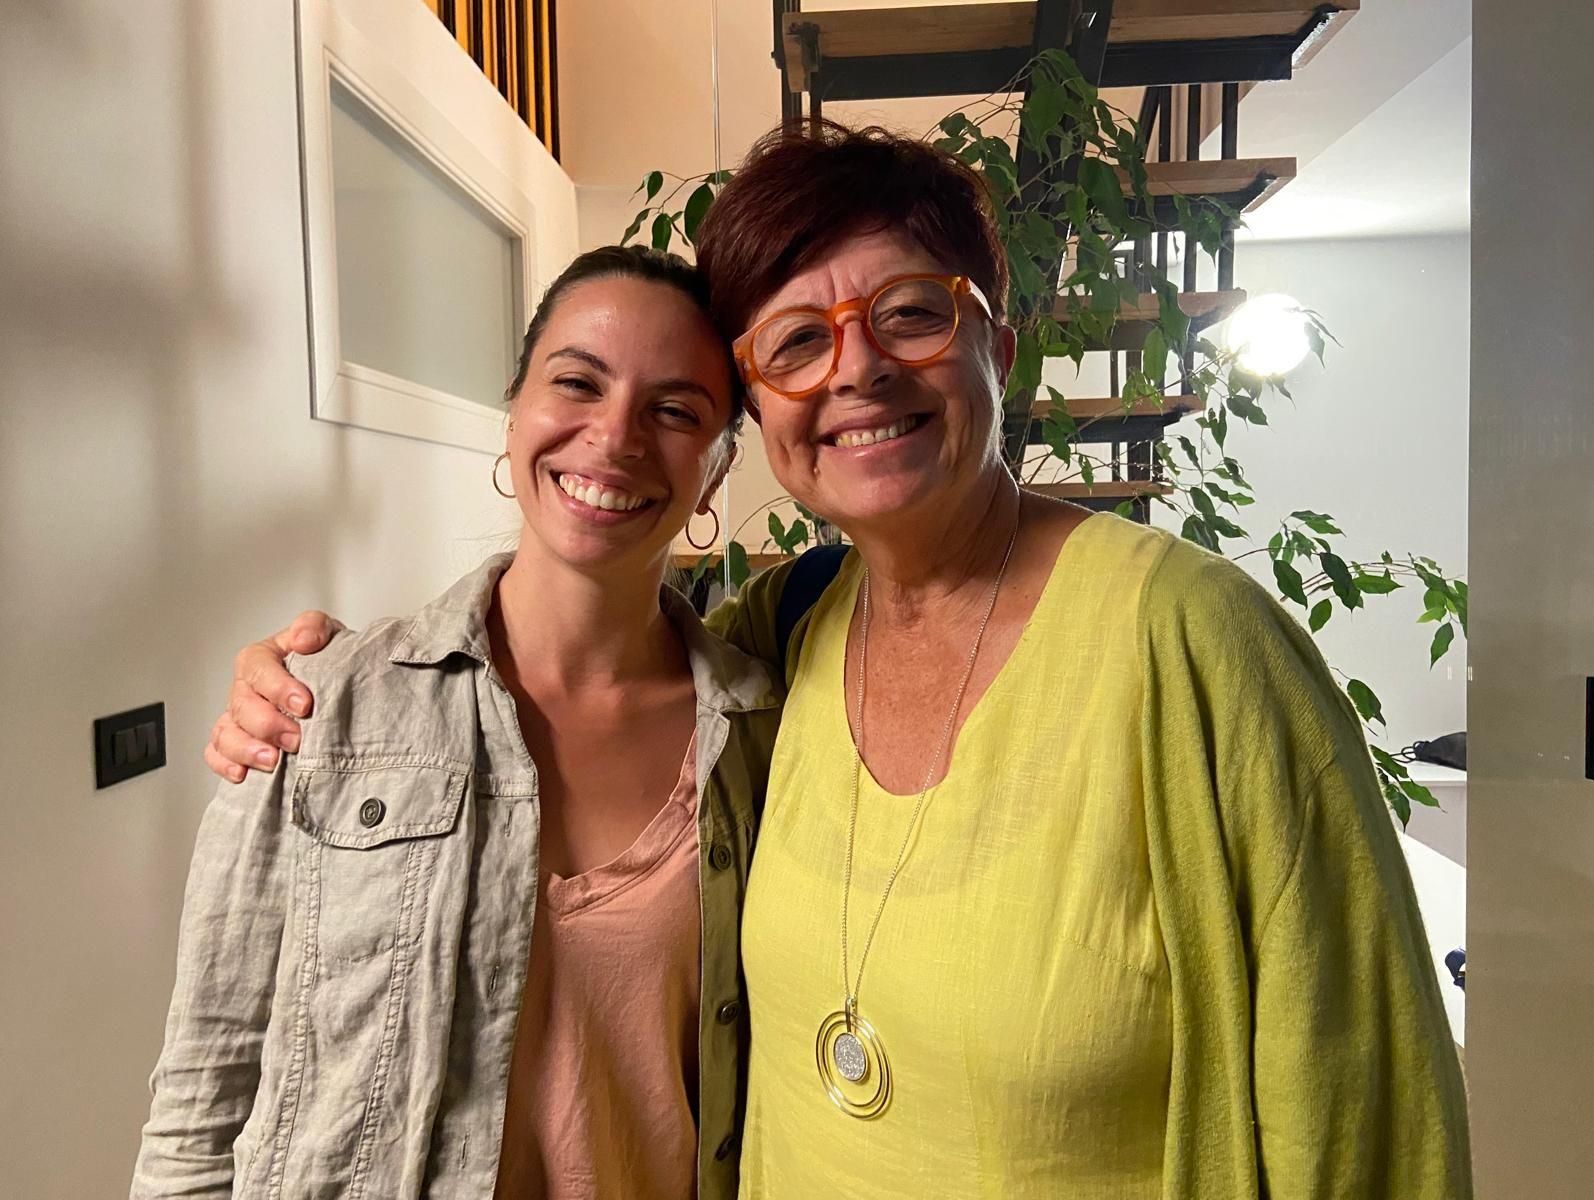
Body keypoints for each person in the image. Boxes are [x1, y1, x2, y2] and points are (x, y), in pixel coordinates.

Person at [208, 122, 1472, 1197]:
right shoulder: (777, 643)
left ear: (1000, 351)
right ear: (766, 422)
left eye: (912, 315)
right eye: (796, 342)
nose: (857, 366)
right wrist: (307, 679)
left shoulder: (1196, 645)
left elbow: (1368, 1109)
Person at [134, 246, 780, 1199]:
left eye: (676, 411)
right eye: (577, 382)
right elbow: (205, 1082)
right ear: (515, 409)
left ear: (716, 471)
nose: (614, 436)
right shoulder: (323, 703)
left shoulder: (762, 741)